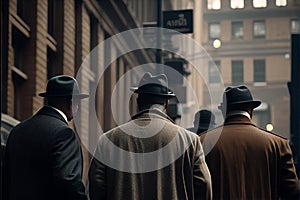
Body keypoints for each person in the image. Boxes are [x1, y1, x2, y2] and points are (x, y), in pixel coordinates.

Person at [88, 72, 212, 200]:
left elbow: (96, 186)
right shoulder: (190, 141)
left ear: (138, 101)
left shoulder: (108, 139)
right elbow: (204, 184)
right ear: (166, 104)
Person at [200, 85, 300, 200]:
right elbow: (292, 192)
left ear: (223, 111)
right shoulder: (278, 145)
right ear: (251, 111)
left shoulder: (203, 142)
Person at [3, 75, 88, 200]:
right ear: (71, 103)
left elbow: (5, 178)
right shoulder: (64, 134)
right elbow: (69, 184)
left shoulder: (17, 130)